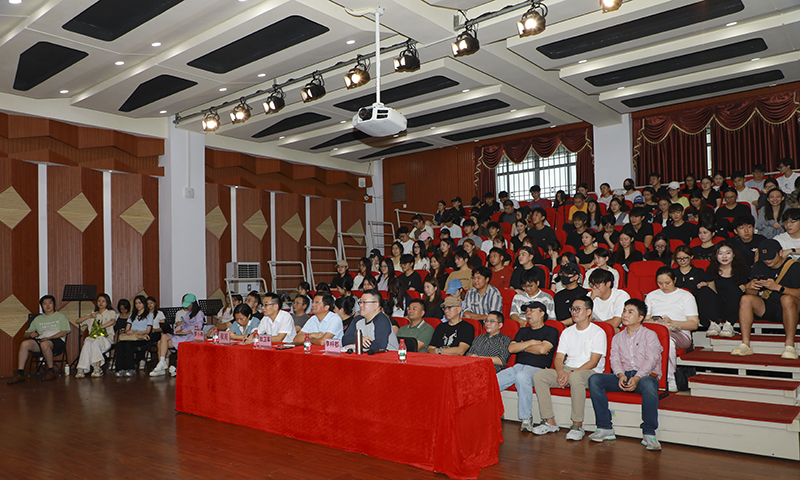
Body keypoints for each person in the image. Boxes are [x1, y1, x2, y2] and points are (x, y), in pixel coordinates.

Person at [588, 298, 663, 451]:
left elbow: (651, 360)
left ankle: (649, 433)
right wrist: (620, 375)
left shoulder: (650, 335)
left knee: (649, 384)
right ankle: (604, 427)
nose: (625, 315)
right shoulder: (617, 337)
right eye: (624, 311)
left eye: (630, 312)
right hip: (624, 375)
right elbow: (614, 359)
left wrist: (637, 377)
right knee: (595, 379)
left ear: (640, 317)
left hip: (645, 376)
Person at [532, 296, 607, 441]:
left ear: (589, 312)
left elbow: (593, 362)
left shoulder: (598, 332)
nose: (574, 312)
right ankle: (549, 421)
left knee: (575, 377)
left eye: (578, 309)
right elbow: (559, 358)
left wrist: (570, 374)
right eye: (572, 309)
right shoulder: (567, 332)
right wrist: (561, 373)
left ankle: (577, 425)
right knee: (540, 375)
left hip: (590, 372)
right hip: (568, 369)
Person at [732, 239, 800, 359]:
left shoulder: (794, 267)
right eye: (765, 258)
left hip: (792, 307)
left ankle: (790, 345)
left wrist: (779, 288)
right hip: (769, 305)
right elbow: (752, 294)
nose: (768, 261)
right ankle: (745, 344)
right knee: (746, 299)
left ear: (780, 253)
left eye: (771, 257)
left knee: (787, 299)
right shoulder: (759, 266)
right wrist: (750, 287)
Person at [498, 300, 561, 431]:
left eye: (532, 310)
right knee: (493, 380)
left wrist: (522, 347)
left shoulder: (551, 331)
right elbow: (511, 348)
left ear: (542, 313)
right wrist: (532, 342)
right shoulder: (523, 331)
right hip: (517, 367)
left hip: (538, 370)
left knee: (522, 377)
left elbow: (543, 350)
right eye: (526, 311)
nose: (528, 314)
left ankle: (526, 417)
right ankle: (494, 412)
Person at [645, 267, 699, 391]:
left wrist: (671, 322)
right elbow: (646, 319)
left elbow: (693, 324)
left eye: (667, 283)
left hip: (679, 333)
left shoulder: (686, 296)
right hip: (656, 331)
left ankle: (670, 377)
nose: (664, 286)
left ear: (674, 280)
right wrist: (653, 321)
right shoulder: (652, 296)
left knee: (667, 340)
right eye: (660, 283)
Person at [7, 295, 70, 384]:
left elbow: (64, 332)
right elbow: (26, 334)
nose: (47, 305)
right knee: (25, 344)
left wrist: (48, 338)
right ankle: (20, 373)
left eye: (50, 303)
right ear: (42, 306)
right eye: (45, 304)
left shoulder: (61, 316)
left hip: (57, 340)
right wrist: (31, 334)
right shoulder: (38, 319)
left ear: (54, 304)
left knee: (44, 344)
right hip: (42, 339)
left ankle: (51, 370)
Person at [150, 294, 204, 377]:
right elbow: (184, 324)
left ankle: (161, 366)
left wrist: (185, 332)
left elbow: (198, 327)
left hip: (190, 336)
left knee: (161, 343)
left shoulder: (199, 313)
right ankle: (162, 362)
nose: (187, 306)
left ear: (192, 303)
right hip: (182, 334)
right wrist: (179, 329)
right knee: (164, 337)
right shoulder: (188, 313)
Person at [702, 242, 748, 338]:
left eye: (728, 253)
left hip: (735, 306)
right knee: (704, 290)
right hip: (719, 305)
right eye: (720, 253)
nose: (724, 256)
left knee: (734, 289)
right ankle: (714, 324)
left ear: (734, 254)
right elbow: (713, 291)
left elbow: (743, 290)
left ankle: (729, 324)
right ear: (716, 255)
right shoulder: (711, 269)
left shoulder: (742, 269)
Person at [75, 293, 116, 378]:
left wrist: (101, 327)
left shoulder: (110, 312)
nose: (101, 303)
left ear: (107, 303)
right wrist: (90, 316)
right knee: (87, 342)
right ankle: (81, 368)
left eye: (103, 301)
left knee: (96, 341)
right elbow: (77, 321)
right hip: (93, 338)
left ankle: (97, 368)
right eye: (99, 301)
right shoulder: (93, 314)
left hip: (105, 338)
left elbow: (113, 321)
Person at [114, 295, 153, 377]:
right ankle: (120, 369)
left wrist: (138, 333)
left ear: (144, 304)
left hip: (141, 338)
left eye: (140, 303)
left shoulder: (149, 315)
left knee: (128, 345)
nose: (138, 305)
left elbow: (148, 331)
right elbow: (127, 328)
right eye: (136, 303)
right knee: (120, 344)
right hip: (131, 336)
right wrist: (128, 331)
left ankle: (130, 368)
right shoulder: (132, 315)